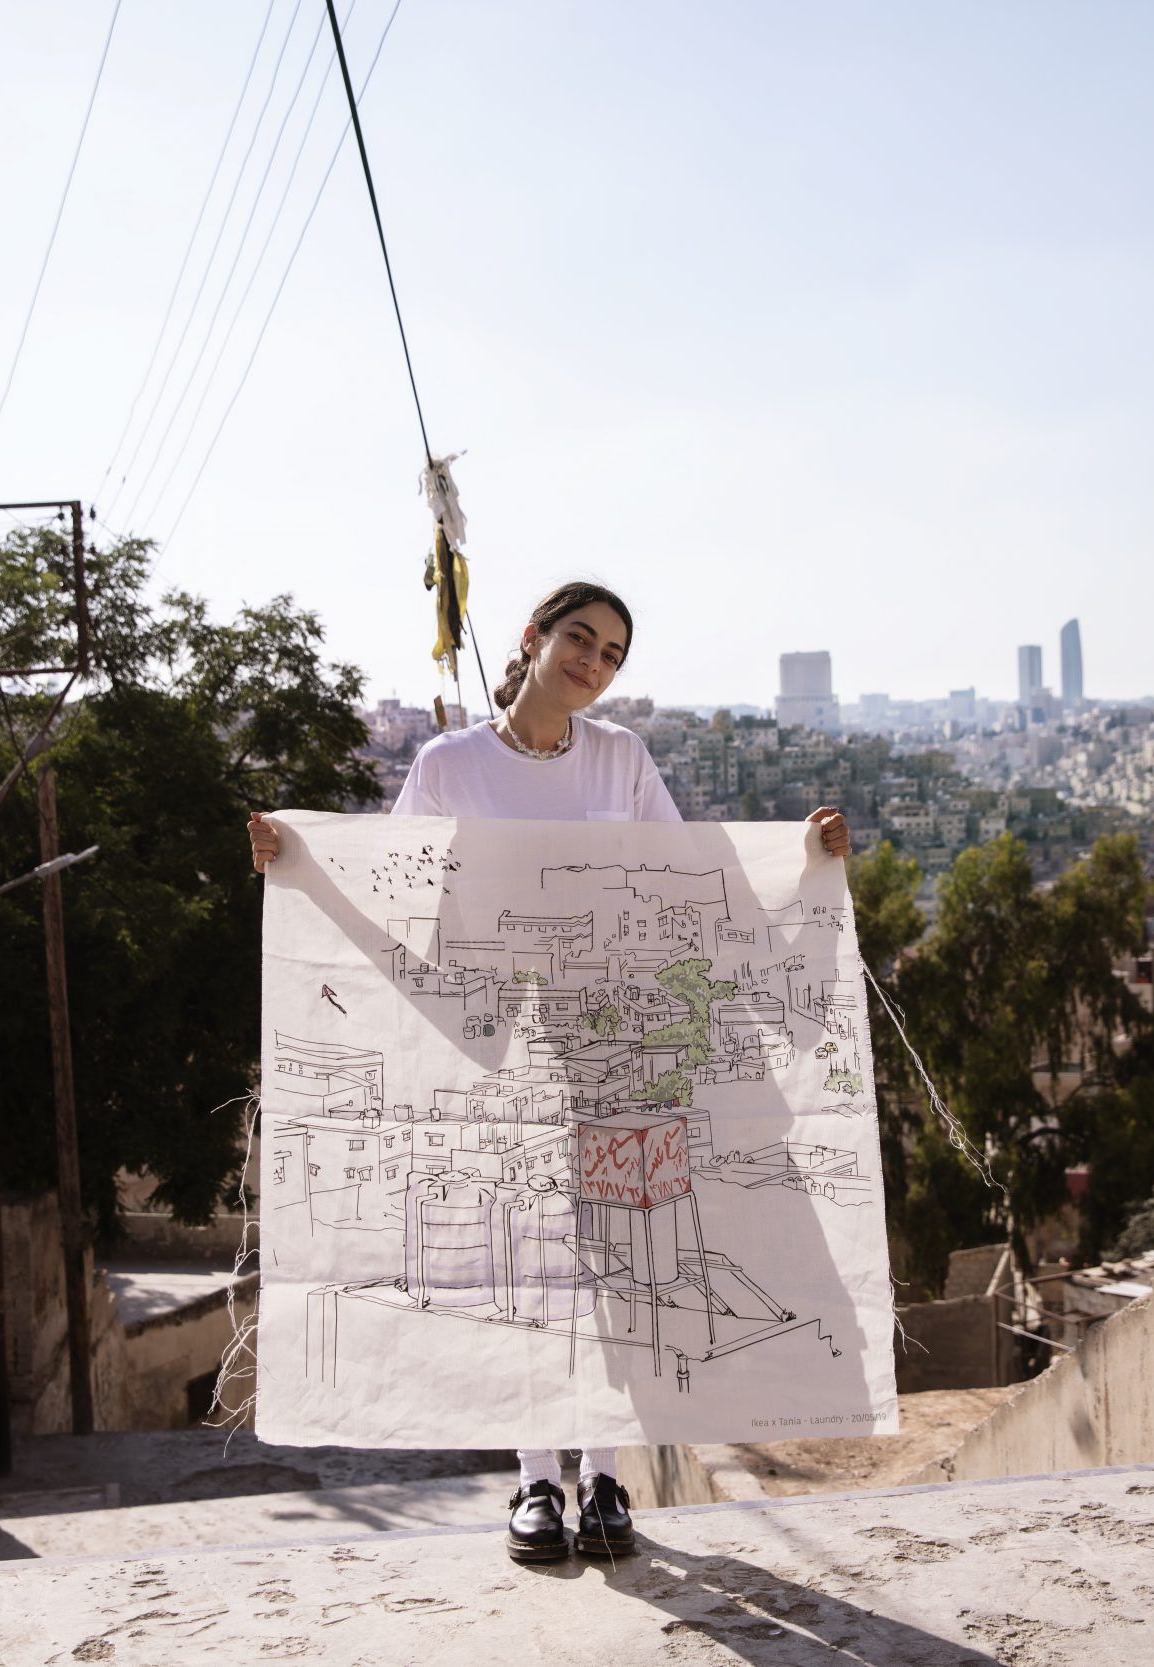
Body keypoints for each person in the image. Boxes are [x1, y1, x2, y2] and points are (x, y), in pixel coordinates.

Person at [248, 580, 850, 1563]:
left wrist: (804, 853)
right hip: (503, 1046)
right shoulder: (450, 764)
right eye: (580, 637)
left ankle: (605, 1473)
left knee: (624, 1254)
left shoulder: (621, 757)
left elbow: (690, 872)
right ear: (532, 638)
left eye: (612, 653)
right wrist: (298, 857)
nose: (593, 662)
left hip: (619, 1040)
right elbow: (390, 876)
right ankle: (534, 1476)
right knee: (529, 1258)